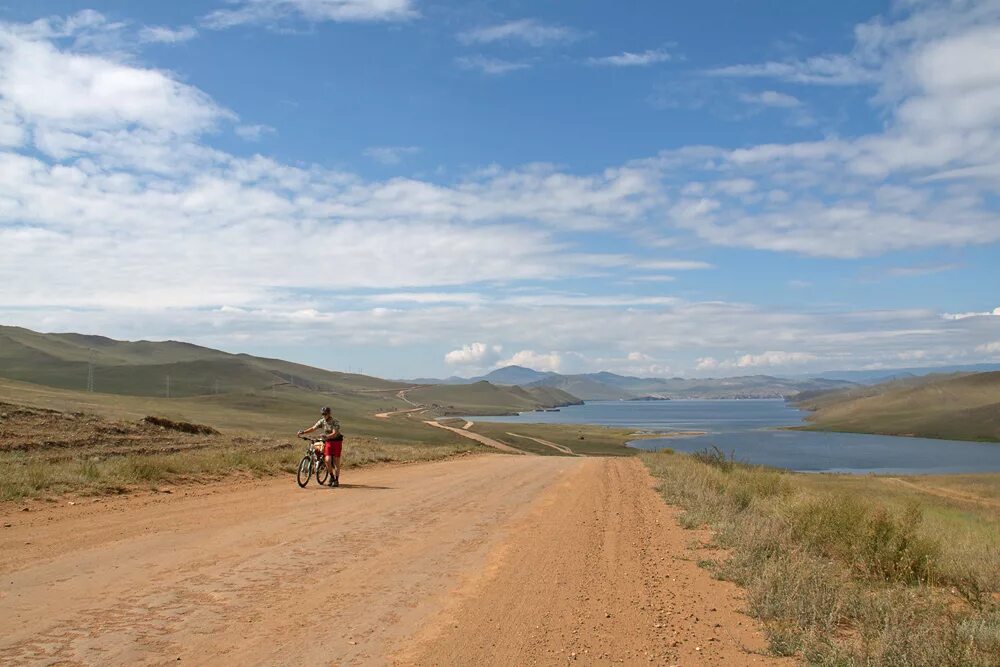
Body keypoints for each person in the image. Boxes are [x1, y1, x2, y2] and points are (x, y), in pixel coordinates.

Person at [297, 406, 344, 487]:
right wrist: (303, 432)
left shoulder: (334, 421)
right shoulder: (322, 421)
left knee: (336, 462)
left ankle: (336, 480)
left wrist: (326, 436)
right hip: (328, 442)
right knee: (327, 460)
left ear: (329, 414)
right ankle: (331, 477)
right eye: (323, 414)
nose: (324, 415)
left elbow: (335, 433)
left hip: (336, 442)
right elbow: (313, 428)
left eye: (325, 414)